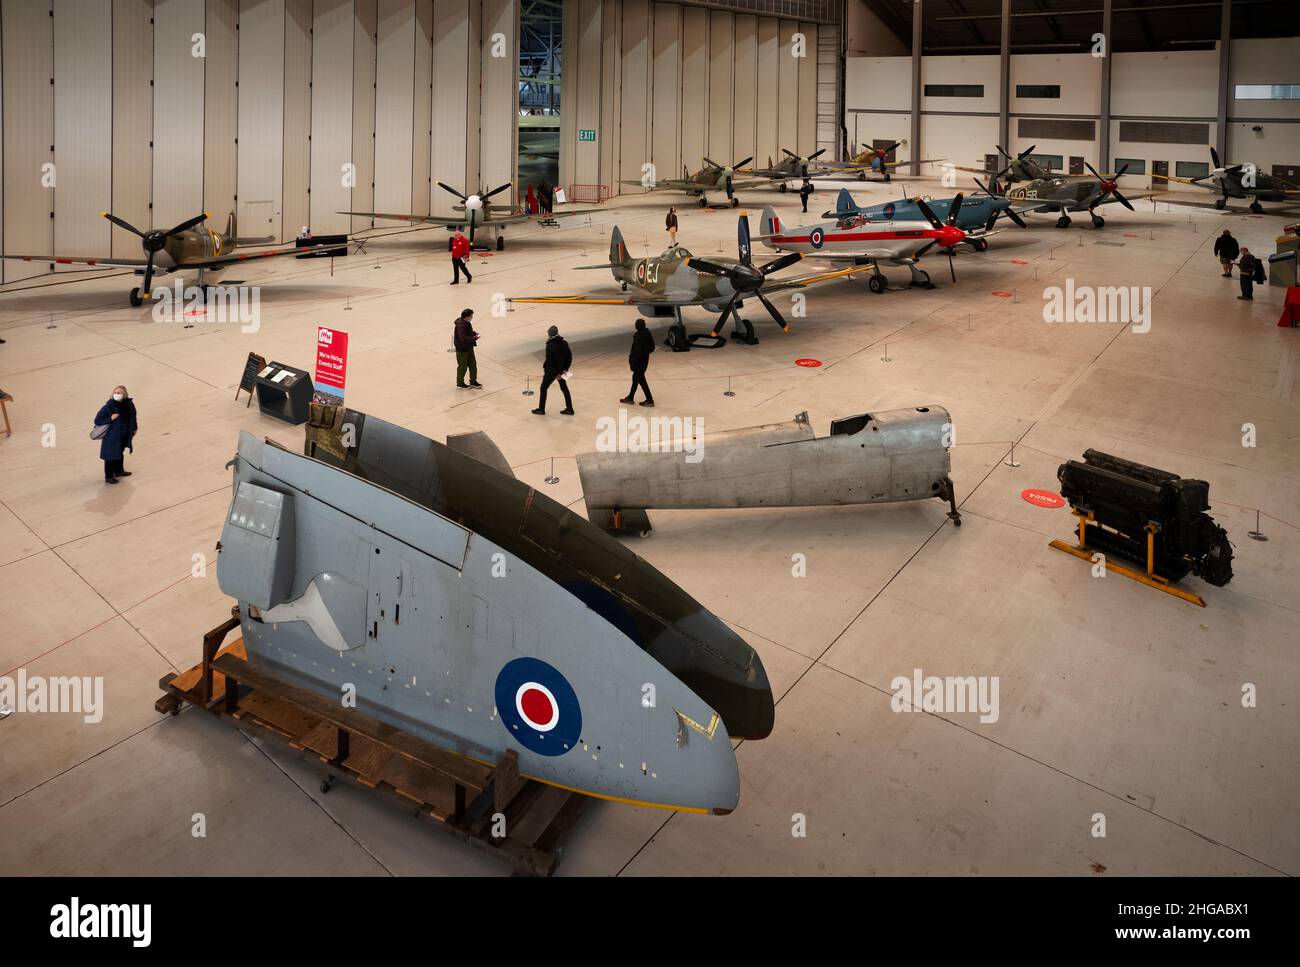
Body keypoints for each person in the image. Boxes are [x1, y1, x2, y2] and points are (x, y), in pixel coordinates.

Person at [93, 385, 138, 484]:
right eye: (115, 393)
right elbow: (97, 420)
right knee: (110, 456)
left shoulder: (129, 405)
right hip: (112, 436)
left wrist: (134, 428)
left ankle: (119, 471)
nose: (116, 395)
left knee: (119, 452)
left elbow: (133, 416)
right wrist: (110, 418)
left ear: (124, 395)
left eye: (119, 393)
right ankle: (108, 477)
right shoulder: (108, 407)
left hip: (124, 434)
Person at [532, 325, 574, 416]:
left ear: (549, 334)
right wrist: (565, 370)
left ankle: (541, 409)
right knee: (564, 389)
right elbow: (569, 358)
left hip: (552, 372)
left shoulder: (550, 345)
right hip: (562, 371)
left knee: (543, 388)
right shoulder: (564, 343)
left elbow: (552, 362)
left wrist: (556, 374)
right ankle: (570, 409)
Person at [620, 319, 655, 407]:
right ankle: (630, 397)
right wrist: (646, 353)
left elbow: (637, 352)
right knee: (635, 379)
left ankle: (650, 400)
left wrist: (632, 361)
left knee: (642, 381)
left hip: (638, 363)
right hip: (644, 361)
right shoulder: (648, 334)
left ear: (637, 326)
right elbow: (652, 347)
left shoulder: (638, 337)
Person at [453, 308, 482, 389]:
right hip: (462, 349)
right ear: (466, 316)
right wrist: (474, 338)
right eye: (471, 316)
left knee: (473, 365)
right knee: (463, 366)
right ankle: (460, 383)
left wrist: (474, 333)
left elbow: (468, 332)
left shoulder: (466, 323)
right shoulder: (460, 325)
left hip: (469, 347)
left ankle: (473, 381)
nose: (472, 317)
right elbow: (463, 338)